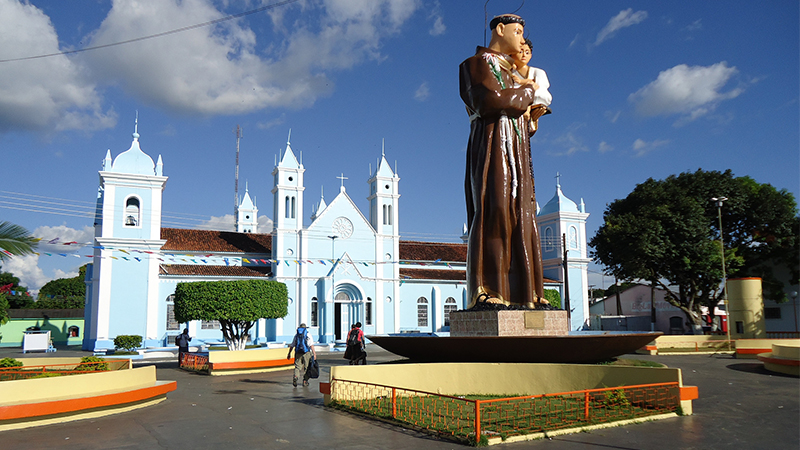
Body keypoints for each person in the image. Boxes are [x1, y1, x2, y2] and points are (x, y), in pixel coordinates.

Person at [459, 14, 546, 309]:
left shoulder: (515, 71)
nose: (522, 39)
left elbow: (517, 110)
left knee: (521, 215)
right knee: (495, 209)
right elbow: (489, 101)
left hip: (517, 151)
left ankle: (526, 294)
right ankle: (486, 290)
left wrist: (529, 115)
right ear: (500, 30)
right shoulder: (477, 64)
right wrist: (527, 91)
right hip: (492, 144)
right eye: (518, 31)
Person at [510, 38, 552, 134]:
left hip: (532, 99)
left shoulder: (538, 72)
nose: (524, 55)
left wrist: (522, 84)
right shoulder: (509, 73)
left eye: (527, 52)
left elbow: (540, 89)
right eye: (520, 51)